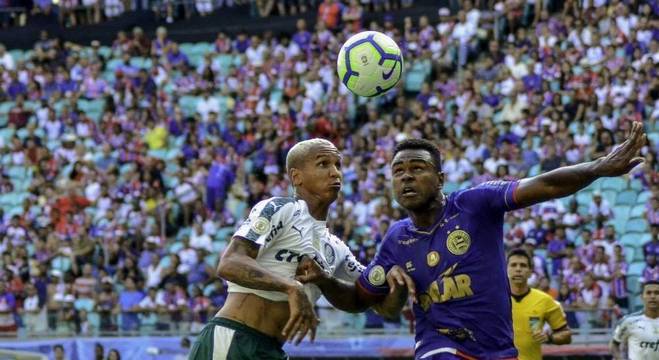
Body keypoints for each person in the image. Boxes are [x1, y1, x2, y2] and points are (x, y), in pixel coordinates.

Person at [306, 123, 644, 359]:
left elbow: (545, 185)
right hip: (438, 348)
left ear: (440, 179)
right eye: (398, 171)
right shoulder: (396, 240)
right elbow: (359, 299)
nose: (406, 176)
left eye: (417, 168)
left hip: (497, 351)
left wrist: (598, 168)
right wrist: (323, 280)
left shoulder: (475, 203)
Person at [188, 138, 390, 359]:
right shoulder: (280, 208)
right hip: (234, 339)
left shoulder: (336, 248)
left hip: (271, 350)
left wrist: (394, 270)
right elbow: (229, 263)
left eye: (338, 165)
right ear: (297, 177)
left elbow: (374, 300)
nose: (335, 173)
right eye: (324, 164)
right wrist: (292, 288)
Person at [507, 248, 571, 359]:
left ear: (531, 271)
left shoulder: (545, 300)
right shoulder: (495, 300)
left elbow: (566, 335)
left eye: (523, 265)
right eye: (513, 265)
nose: (518, 269)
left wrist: (549, 337)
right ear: (506, 269)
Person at [610, 280, 659, 360]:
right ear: (642, 297)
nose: (652, 296)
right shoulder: (628, 321)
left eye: (657, 293)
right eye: (648, 293)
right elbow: (614, 344)